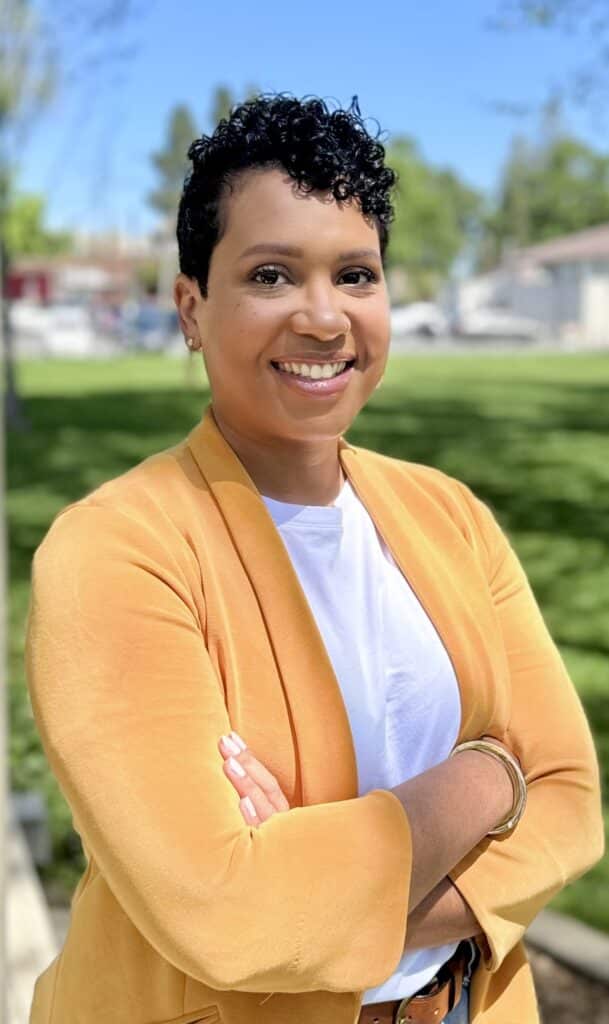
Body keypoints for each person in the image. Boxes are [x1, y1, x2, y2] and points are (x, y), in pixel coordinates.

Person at [25, 94, 603, 1024]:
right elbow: (224, 910)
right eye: (269, 274)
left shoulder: (449, 515)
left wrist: (327, 876)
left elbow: (572, 802)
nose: (324, 317)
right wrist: (493, 774)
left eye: (355, 274)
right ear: (190, 307)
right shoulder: (118, 550)